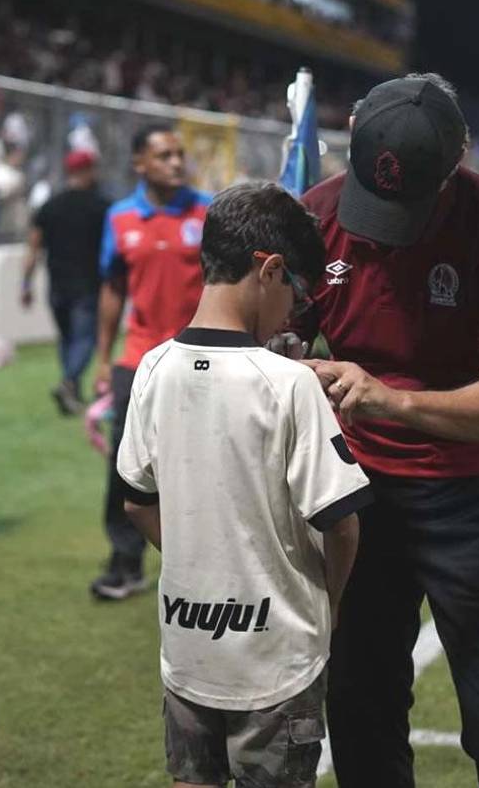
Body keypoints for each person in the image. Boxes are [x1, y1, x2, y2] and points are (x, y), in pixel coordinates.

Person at [294, 73, 479, 787]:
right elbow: (268, 351)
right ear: (350, 131)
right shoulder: (313, 216)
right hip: (358, 494)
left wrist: (391, 402)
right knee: (357, 703)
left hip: (478, 491)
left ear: (458, 158)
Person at [119, 183, 368, 788]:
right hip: (276, 659)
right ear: (271, 269)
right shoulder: (288, 384)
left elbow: (136, 500)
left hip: (188, 649)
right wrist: (328, 604)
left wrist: (203, 565)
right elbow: (342, 524)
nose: (294, 311)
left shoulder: (152, 368)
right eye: (295, 292)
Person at [90, 124, 210, 601]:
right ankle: (125, 561)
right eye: (164, 155)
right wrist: (103, 359)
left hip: (200, 357)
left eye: (180, 154)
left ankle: (205, 562)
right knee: (127, 466)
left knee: (202, 461)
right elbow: (113, 288)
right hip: (138, 358)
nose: (176, 163)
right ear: (139, 163)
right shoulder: (119, 218)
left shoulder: (208, 210)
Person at [20, 148, 110, 415]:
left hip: (57, 286)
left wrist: (25, 285)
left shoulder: (49, 206)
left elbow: (32, 249)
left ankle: (71, 390)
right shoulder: (102, 206)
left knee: (67, 339)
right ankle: (69, 382)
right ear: (89, 170)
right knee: (85, 339)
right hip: (88, 286)